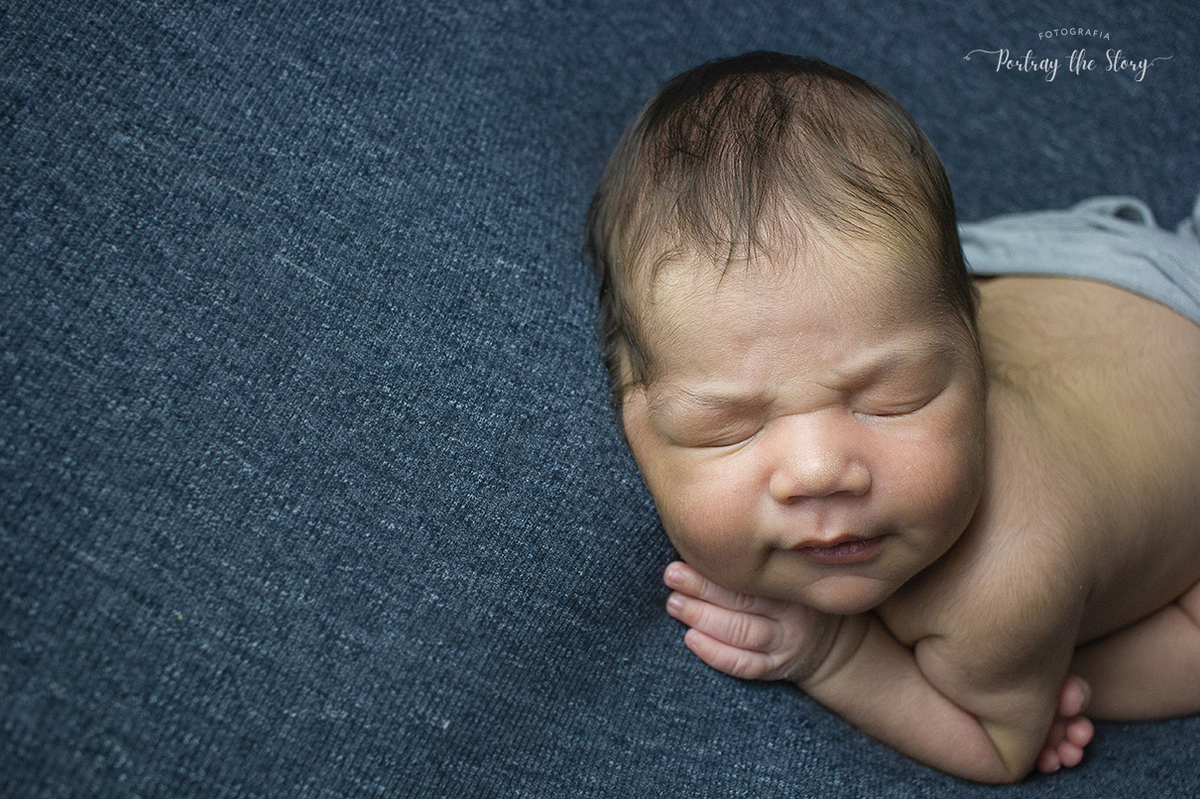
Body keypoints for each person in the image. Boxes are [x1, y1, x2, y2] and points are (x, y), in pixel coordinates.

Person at [586, 51, 1200, 783]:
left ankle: (1043, 654)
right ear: (631, 410)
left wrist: (834, 654)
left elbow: (1002, 750)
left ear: (976, 362)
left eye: (893, 396)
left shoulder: (1005, 576)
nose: (819, 470)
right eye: (729, 425)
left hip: (1114, 287)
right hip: (1073, 277)